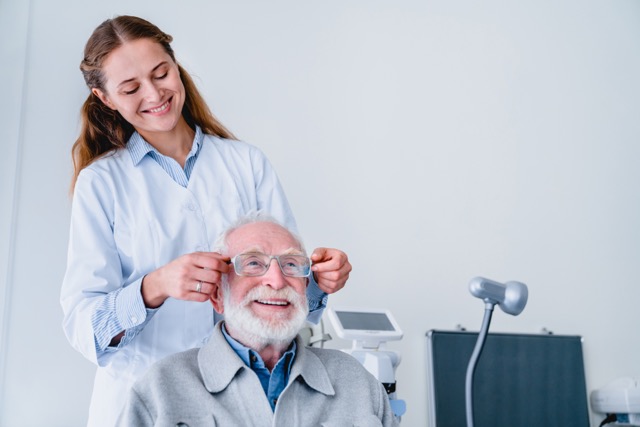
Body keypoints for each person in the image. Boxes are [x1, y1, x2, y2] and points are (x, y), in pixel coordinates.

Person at [60, 15, 352, 427]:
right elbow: (84, 330)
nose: (154, 93)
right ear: (105, 97)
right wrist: (153, 287)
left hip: (242, 401)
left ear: (176, 67)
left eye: (161, 73)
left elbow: (287, 292)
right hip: (141, 403)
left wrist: (320, 279)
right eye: (130, 88)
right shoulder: (101, 183)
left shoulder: (246, 163)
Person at [116, 213, 397, 427]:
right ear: (217, 295)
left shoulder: (357, 383)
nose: (276, 281)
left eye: (290, 265)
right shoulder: (160, 389)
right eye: (252, 263)